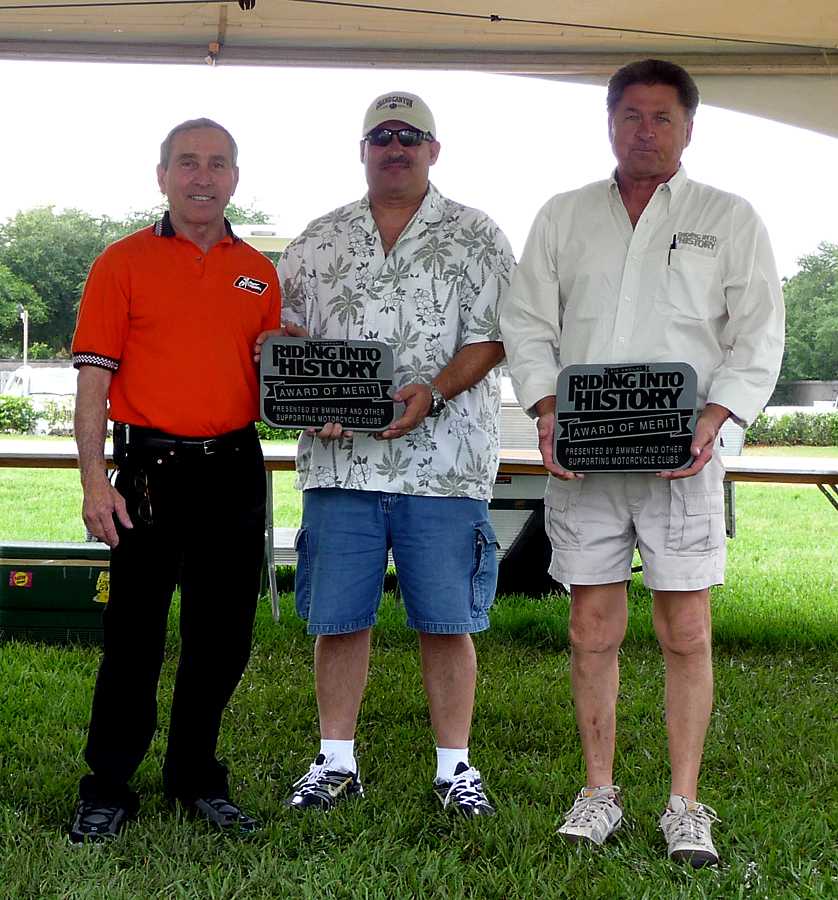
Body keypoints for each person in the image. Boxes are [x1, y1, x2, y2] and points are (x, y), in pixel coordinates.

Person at [501, 59, 784, 865]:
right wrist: (546, 409)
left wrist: (717, 417)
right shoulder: (564, 215)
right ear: (609, 123)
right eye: (631, 115)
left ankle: (685, 804)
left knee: (686, 631)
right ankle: (599, 792)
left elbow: (758, 332)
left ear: (689, 127)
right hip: (586, 458)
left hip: (680, 459)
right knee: (591, 629)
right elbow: (528, 323)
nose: (645, 131)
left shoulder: (728, 217)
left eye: (662, 117)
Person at [275, 91, 515, 816]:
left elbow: (494, 337)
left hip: (445, 466)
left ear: (433, 150)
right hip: (339, 465)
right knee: (337, 618)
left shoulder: (477, 234)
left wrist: (434, 391)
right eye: (382, 135)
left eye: (411, 136)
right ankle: (334, 762)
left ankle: (455, 768)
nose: (396, 147)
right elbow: (284, 335)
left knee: (447, 622)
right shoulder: (317, 240)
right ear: (363, 150)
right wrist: (305, 391)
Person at [67, 118, 281, 843]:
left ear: (235, 178)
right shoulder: (121, 262)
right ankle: (108, 785)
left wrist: (291, 361)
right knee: (133, 636)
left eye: (218, 164)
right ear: (162, 176)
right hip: (149, 472)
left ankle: (195, 778)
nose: (202, 177)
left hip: (235, 468)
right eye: (187, 163)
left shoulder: (258, 271)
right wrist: (95, 483)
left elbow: (270, 379)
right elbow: (93, 382)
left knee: (222, 638)